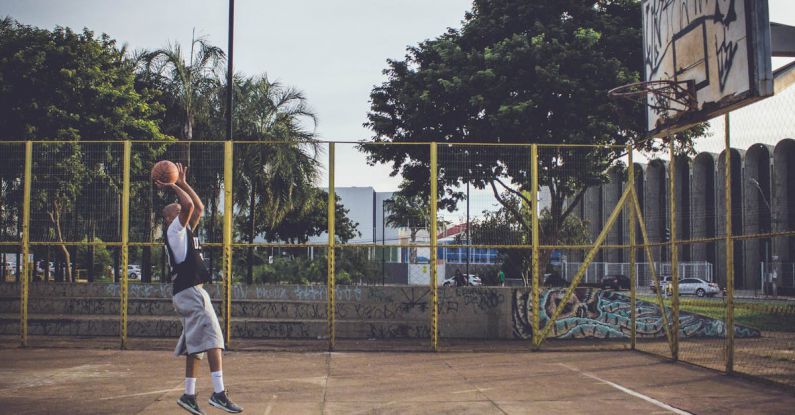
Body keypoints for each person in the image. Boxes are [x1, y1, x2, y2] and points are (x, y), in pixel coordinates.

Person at [157, 163, 243, 415]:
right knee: (214, 339)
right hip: (191, 292)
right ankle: (218, 393)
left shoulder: (185, 230)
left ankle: (189, 395)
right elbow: (190, 206)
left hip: (187, 292)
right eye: (176, 207)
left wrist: (182, 182)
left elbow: (199, 207)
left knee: (195, 348)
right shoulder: (174, 230)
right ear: (170, 217)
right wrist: (172, 184)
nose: (180, 206)